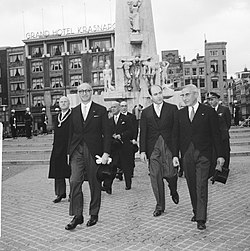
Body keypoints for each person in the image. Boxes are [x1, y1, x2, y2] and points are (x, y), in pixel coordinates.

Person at [172, 84, 225, 230]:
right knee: (191, 184)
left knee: (201, 185)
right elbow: (175, 136)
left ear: (196, 94)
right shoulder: (179, 114)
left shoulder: (208, 112)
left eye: (187, 95)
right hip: (187, 155)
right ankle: (196, 210)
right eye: (182, 95)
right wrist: (175, 155)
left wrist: (220, 155)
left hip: (204, 154)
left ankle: (201, 218)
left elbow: (216, 135)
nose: (184, 98)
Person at [65, 83, 111, 230]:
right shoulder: (74, 112)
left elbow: (107, 134)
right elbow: (70, 134)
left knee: (94, 182)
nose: (84, 93)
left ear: (91, 92)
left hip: (94, 151)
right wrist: (69, 153)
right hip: (77, 150)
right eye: (81, 91)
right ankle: (77, 215)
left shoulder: (101, 110)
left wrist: (105, 153)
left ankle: (94, 213)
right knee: (74, 181)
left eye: (87, 90)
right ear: (78, 93)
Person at [140, 85, 179, 217]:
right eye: (155, 94)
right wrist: (143, 151)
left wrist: (176, 152)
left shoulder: (172, 109)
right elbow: (143, 132)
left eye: (160, 93)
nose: (159, 96)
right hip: (153, 148)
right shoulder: (145, 112)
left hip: (168, 145)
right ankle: (160, 205)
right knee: (155, 176)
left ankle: (173, 188)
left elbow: (176, 131)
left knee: (170, 173)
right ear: (150, 97)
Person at [104, 101, 134, 192]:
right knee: (112, 167)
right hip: (114, 148)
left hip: (124, 146)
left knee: (126, 166)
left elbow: (131, 131)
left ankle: (128, 184)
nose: (113, 109)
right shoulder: (109, 121)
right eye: (111, 107)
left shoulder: (126, 119)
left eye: (115, 107)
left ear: (119, 108)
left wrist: (121, 135)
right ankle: (108, 186)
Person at [48, 96, 71, 203]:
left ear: (68, 103)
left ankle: (73, 194)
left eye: (65, 101)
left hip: (69, 147)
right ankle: (60, 193)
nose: (63, 103)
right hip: (57, 147)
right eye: (61, 102)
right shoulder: (56, 117)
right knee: (58, 171)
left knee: (71, 171)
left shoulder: (73, 116)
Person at [207, 92, 231, 170]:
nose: (210, 101)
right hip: (212, 137)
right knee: (213, 154)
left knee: (225, 153)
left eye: (212, 99)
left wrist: (223, 131)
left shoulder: (224, 109)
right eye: (209, 100)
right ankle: (213, 170)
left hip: (223, 136)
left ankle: (224, 170)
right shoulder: (207, 110)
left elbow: (228, 123)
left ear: (217, 99)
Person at [120, 100, 139, 177]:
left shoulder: (132, 117)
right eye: (122, 106)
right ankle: (120, 171)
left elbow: (135, 129)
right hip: (120, 141)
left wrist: (134, 138)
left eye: (125, 106)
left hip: (130, 141)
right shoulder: (117, 117)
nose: (124, 108)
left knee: (130, 158)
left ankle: (130, 171)